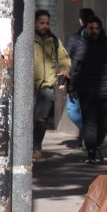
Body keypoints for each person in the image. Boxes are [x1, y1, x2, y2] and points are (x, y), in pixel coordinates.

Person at [69, 16, 107, 164]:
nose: (93, 31)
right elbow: (74, 69)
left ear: (101, 29)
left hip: (105, 93)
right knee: (90, 124)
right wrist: (71, 88)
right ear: (86, 29)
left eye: (96, 28)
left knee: (104, 124)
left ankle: (96, 146)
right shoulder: (80, 46)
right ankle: (91, 151)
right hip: (86, 92)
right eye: (90, 28)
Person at [33, 9, 71, 161]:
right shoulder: (26, 38)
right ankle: (22, 149)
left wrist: (64, 71)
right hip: (28, 87)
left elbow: (64, 58)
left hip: (47, 85)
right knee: (27, 119)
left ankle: (36, 148)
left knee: (42, 119)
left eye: (47, 23)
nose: (45, 26)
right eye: (41, 23)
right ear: (34, 23)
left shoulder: (53, 40)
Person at [64, 7, 95, 147]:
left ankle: (89, 133)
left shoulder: (77, 39)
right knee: (78, 110)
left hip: (82, 80)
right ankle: (86, 137)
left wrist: (63, 81)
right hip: (82, 80)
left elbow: (67, 59)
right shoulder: (77, 38)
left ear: (80, 21)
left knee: (73, 110)